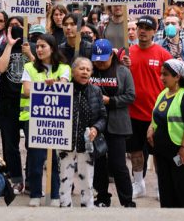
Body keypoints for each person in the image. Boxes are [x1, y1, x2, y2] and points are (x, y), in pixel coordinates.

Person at [123, 15, 172, 198]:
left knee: (158, 153)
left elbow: (173, 82)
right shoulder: (127, 53)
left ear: (154, 31)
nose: (142, 31)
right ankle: (138, 184)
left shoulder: (162, 54)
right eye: (140, 27)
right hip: (133, 112)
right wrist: (123, 64)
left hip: (156, 114)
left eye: (147, 28)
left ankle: (161, 185)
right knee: (135, 151)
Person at [22, 33, 69, 207]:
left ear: (53, 48)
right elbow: (26, 91)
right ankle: (35, 193)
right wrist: (47, 86)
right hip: (33, 118)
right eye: (38, 46)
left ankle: (54, 195)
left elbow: (64, 85)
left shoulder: (64, 67)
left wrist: (54, 83)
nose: (39, 49)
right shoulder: (29, 67)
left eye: (43, 46)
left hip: (56, 119)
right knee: (35, 158)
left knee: (53, 159)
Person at [146, 59, 184, 208]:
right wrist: (151, 128)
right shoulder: (163, 93)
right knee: (167, 193)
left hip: (183, 154)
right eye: (161, 74)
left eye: (166, 74)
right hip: (164, 154)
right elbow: (156, 115)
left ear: (177, 77)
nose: (162, 78)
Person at [90, 39, 136, 207]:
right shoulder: (90, 70)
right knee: (99, 164)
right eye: (97, 60)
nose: (100, 63)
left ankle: (127, 200)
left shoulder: (123, 72)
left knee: (118, 165)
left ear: (112, 55)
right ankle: (102, 197)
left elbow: (131, 96)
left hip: (117, 124)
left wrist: (111, 101)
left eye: (104, 60)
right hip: (96, 125)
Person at [59, 57, 107, 207]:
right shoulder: (63, 89)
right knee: (64, 180)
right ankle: (64, 208)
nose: (85, 72)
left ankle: (87, 209)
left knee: (87, 181)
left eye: (88, 69)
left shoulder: (96, 91)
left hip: (87, 144)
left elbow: (103, 117)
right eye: (81, 69)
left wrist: (96, 128)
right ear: (73, 71)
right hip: (65, 143)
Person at [0, 25, 29, 192]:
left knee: (33, 144)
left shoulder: (33, 46)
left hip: (28, 102)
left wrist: (29, 54)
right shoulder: (1, 48)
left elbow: (43, 70)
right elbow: (0, 68)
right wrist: (9, 45)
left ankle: (31, 181)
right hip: (8, 102)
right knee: (11, 145)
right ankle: (16, 179)